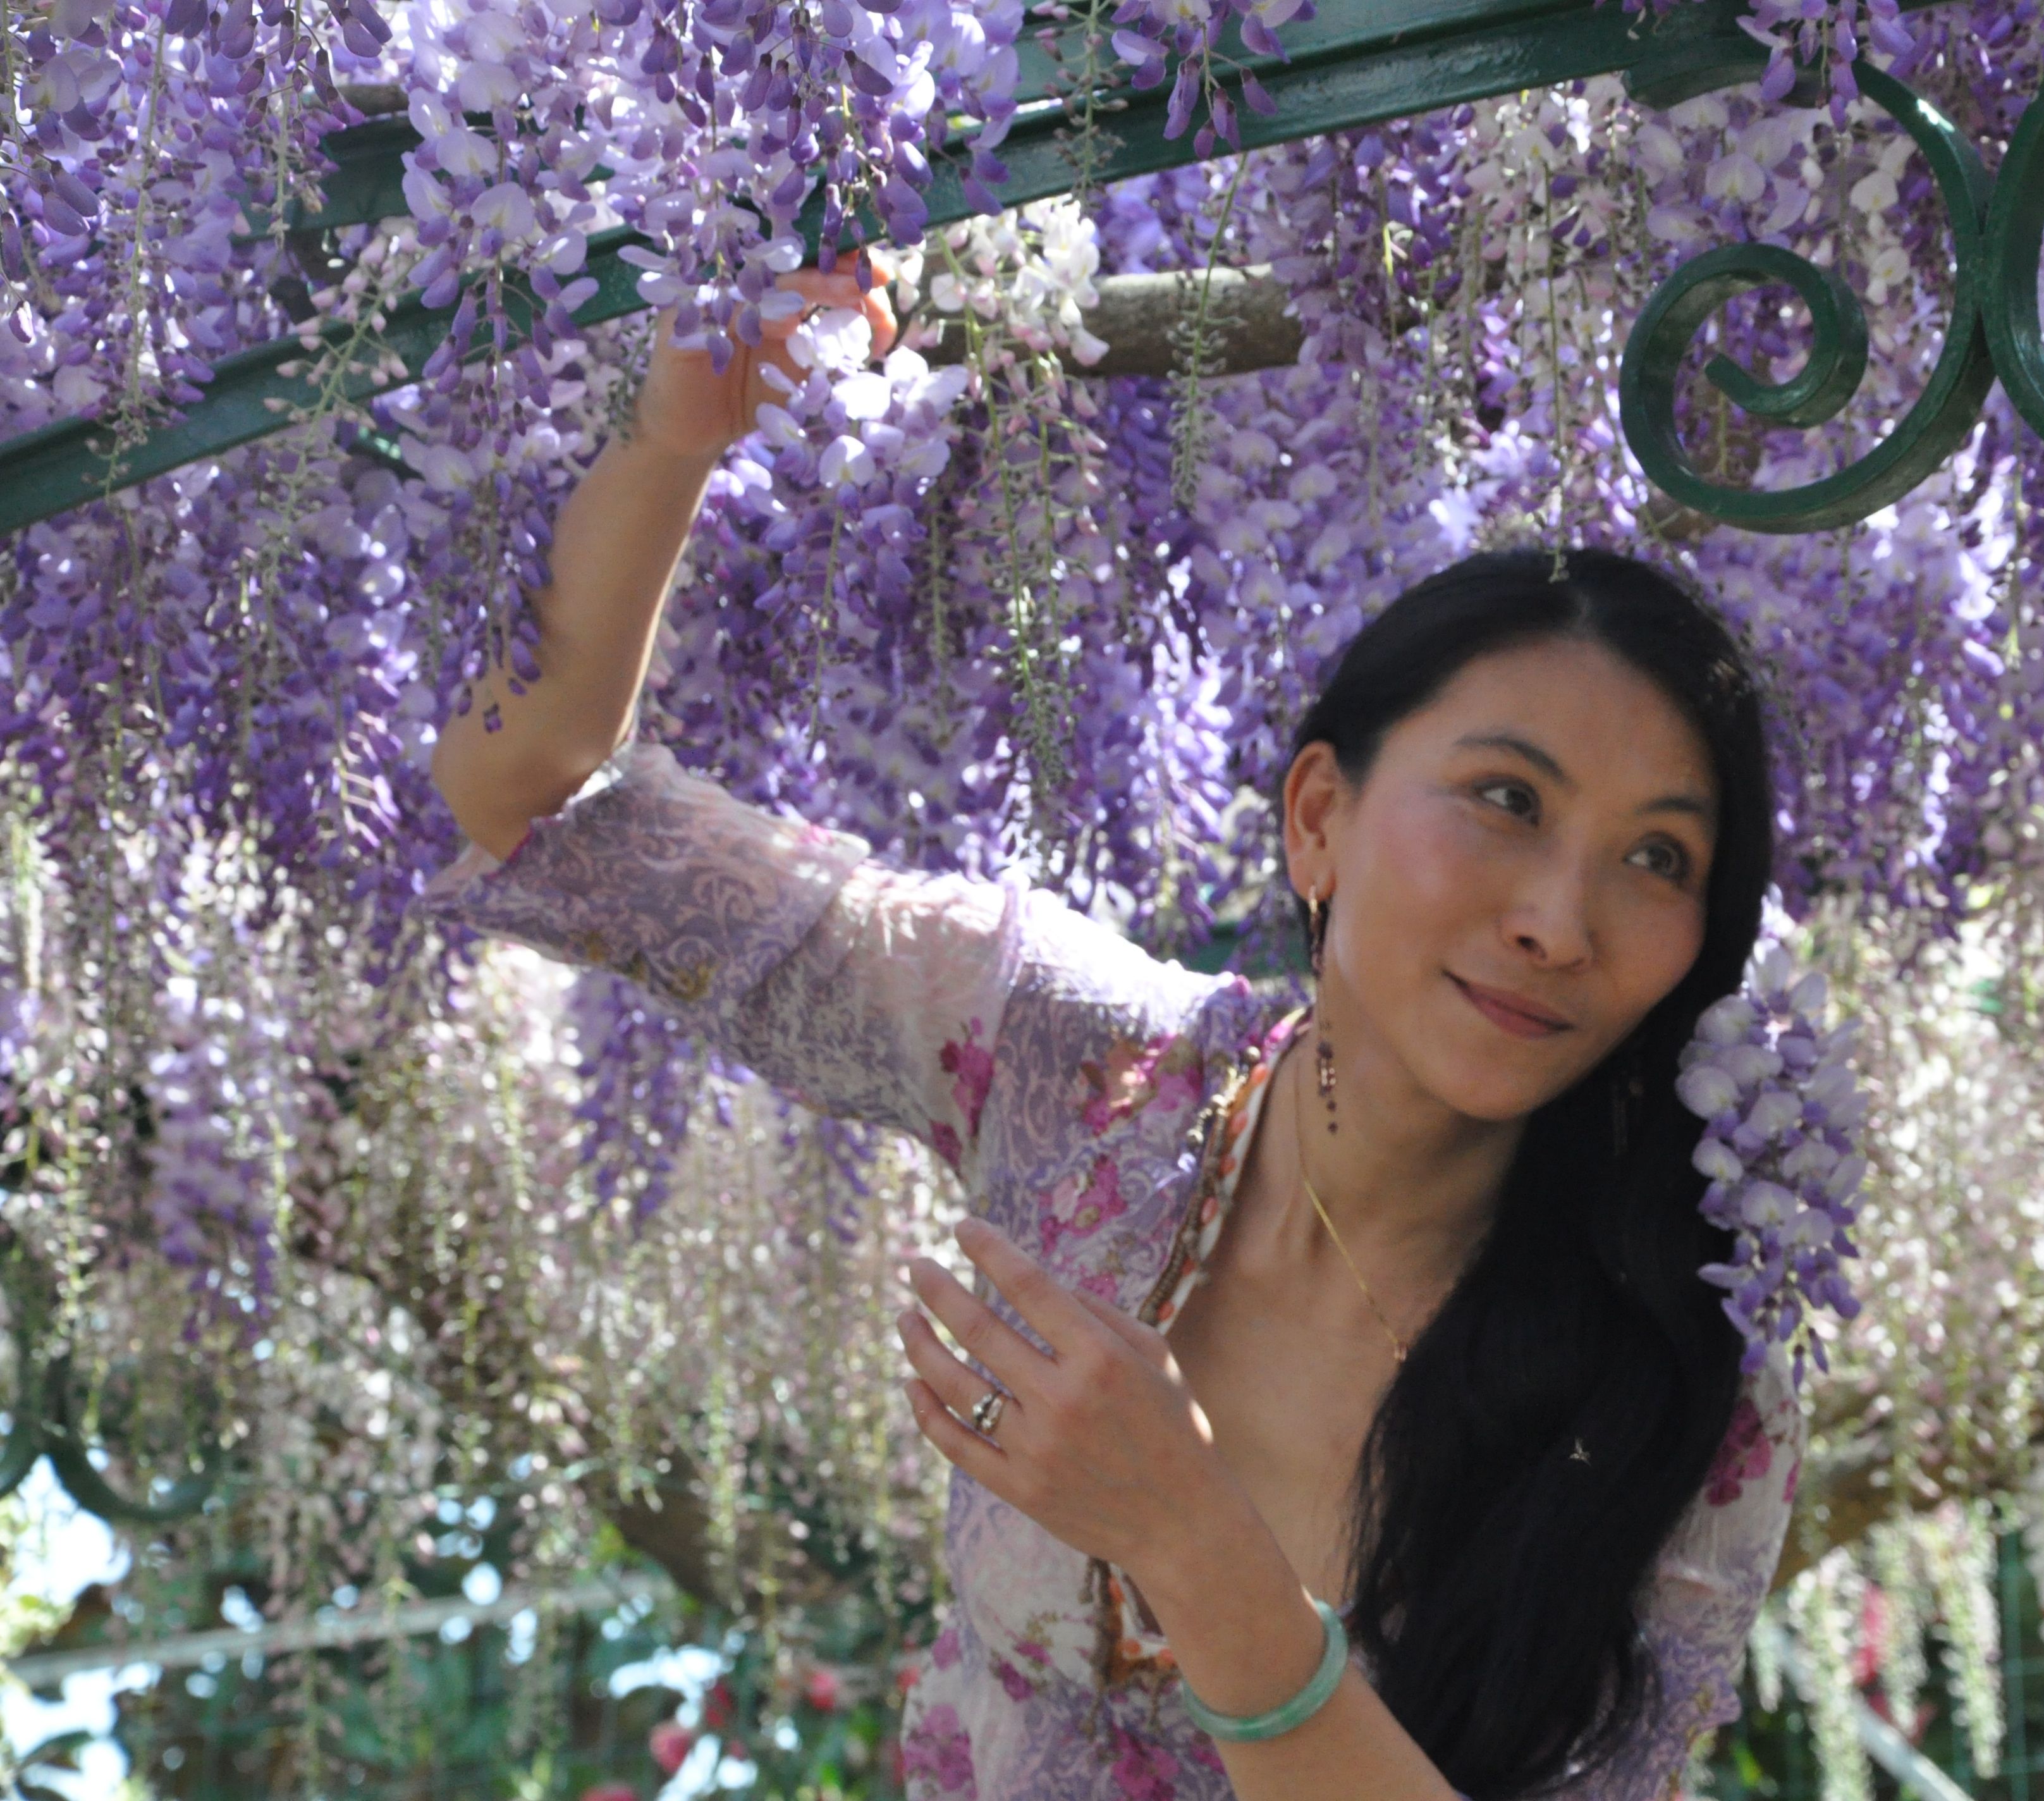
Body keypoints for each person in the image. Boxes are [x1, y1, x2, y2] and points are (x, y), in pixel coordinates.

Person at [423, 249, 1804, 1801]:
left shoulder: (1687, 1365)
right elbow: (533, 801)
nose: (1560, 917)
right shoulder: (1076, 1056)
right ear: (1317, 819)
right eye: (1504, 799)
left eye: (1655, 857)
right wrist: (675, 436)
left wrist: (1187, 1536)